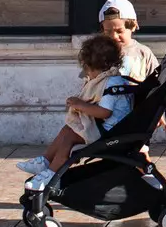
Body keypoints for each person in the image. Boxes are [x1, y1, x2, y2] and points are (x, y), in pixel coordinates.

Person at [16, 32, 133, 189]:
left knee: (69, 138)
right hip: (106, 127)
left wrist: (80, 105)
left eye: (88, 71)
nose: (88, 75)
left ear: (96, 67)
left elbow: (105, 112)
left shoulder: (111, 83)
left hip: (110, 132)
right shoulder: (108, 79)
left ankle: (51, 175)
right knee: (68, 129)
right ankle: (44, 161)